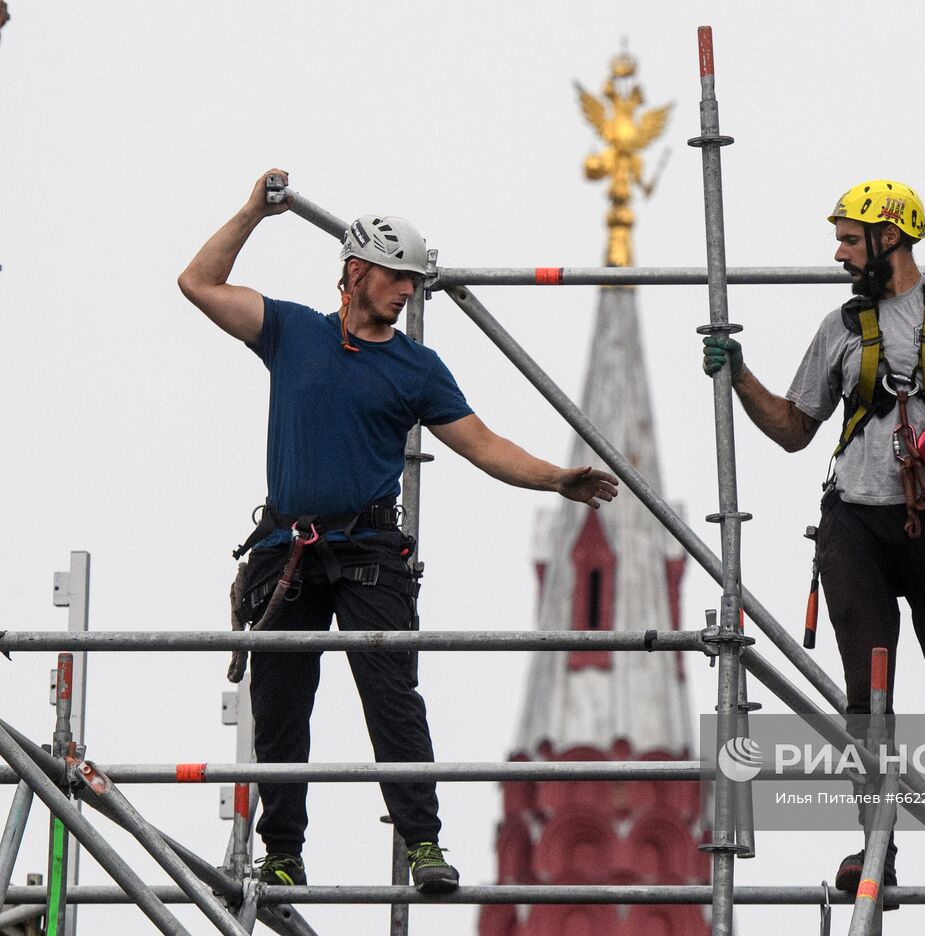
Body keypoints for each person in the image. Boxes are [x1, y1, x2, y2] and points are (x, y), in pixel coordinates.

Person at [179, 169, 619, 894]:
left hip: (369, 551)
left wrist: (555, 478)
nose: (407, 293)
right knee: (281, 705)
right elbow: (199, 282)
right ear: (355, 273)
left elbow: (481, 443)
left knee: (391, 695)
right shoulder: (291, 333)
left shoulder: (416, 369)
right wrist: (255, 210)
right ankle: (282, 852)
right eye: (396, 279)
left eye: (412, 282)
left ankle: (422, 842)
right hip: (287, 547)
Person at [702, 180, 925, 898]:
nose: (839, 253)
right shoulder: (841, 328)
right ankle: (877, 848)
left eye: (849, 239)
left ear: (890, 237)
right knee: (868, 702)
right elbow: (792, 429)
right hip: (856, 528)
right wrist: (738, 375)